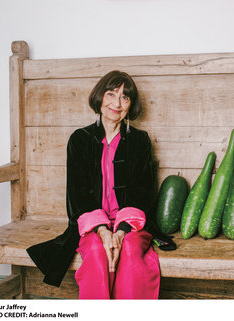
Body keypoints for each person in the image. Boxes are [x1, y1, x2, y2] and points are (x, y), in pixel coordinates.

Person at [27, 70, 174, 299]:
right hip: (91, 226)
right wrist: (103, 231)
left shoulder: (139, 141)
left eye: (125, 97)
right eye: (111, 94)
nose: (117, 102)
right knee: (96, 252)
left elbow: (142, 193)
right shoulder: (79, 140)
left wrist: (121, 232)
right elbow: (77, 195)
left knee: (131, 251)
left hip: (132, 225)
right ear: (100, 97)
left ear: (131, 105)